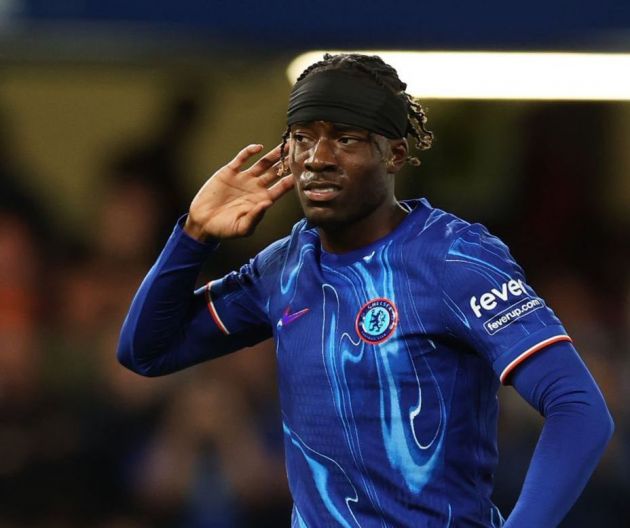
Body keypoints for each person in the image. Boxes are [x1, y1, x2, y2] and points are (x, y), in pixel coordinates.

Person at [117, 53, 614, 527]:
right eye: (302, 138)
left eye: (346, 139)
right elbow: (145, 351)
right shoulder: (285, 268)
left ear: (394, 153)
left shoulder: (453, 258)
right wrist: (193, 236)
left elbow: (579, 409)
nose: (318, 158)